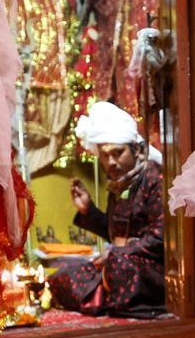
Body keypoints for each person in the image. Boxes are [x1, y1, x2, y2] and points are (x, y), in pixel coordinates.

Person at [47, 100, 166, 318]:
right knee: (62, 275)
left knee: (118, 266)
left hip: (151, 268)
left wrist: (118, 253)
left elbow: (160, 238)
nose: (111, 162)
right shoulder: (119, 185)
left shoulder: (154, 179)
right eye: (105, 155)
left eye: (118, 153)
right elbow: (115, 233)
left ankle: (107, 298)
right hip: (120, 261)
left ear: (136, 150)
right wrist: (88, 210)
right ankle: (109, 299)